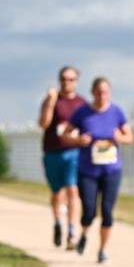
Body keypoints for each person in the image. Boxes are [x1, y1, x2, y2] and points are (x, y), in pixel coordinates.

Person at [65, 77, 132, 263]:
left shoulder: (117, 112)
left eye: (105, 92)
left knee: (108, 211)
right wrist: (78, 140)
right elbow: (66, 135)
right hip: (87, 171)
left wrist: (120, 137)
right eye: (99, 92)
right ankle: (84, 234)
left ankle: (102, 250)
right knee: (89, 210)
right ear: (92, 92)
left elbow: (129, 137)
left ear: (109, 93)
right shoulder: (83, 113)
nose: (102, 95)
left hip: (111, 170)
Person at [39, 66, 87, 249]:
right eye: (64, 79)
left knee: (73, 190)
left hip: (74, 152)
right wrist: (51, 102)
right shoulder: (52, 100)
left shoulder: (82, 103)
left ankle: (72, 232)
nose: (67, 82)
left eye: (71, 79)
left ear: (76, 81)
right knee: (57, 193)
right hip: (53, 152)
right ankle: (58, 222)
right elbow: (43, 123)